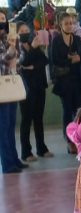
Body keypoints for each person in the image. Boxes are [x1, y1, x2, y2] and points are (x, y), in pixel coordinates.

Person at [50, 13, 81, 152]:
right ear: (60, 24)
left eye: (71, 23)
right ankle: (69, 140)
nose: (69, 25)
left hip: (78, 79)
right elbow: (54, 60)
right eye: (66, 23)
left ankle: (78, 138)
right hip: (64, 81)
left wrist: (78, 57)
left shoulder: (77, 39)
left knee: (79, 110)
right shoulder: (56, 41)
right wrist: (69, 61)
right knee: (67, 111)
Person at [12, 22, 48, 162]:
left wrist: (33, 65)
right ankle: (26, 152)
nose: (26, 32)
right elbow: (22, 62)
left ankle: (41, 148)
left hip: (39, 85)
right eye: (22, 31)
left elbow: (44, 60)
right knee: (26, 119)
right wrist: (32, 49)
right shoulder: (17, 47)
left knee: (38, 118)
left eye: (27, 30)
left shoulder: (34, 44)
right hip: (26, 87)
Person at [0, 26, 22, 174]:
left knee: (10, 125)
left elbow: (18, 58)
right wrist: (11, 49)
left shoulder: (5, 40)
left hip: (11, 85)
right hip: (2, 87)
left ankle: (14, 159)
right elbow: (4, 59)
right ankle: (7, 164)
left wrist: (15, 43)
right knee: (3, 127)